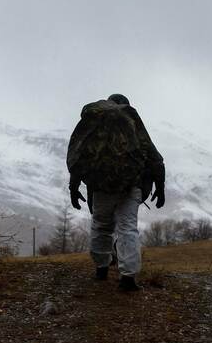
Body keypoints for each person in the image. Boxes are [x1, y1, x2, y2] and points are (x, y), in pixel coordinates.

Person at [67, 94, 166, 291]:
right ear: (126, 105)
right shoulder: (130, 120)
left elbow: (79, 155)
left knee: (101, 226)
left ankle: (101, 269)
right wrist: (160, 187)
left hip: (100, 187)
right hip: (131, 186)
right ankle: (128, 278)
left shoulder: (94, 121)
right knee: (127, 228)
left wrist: (74, 186)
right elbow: (154, 157)